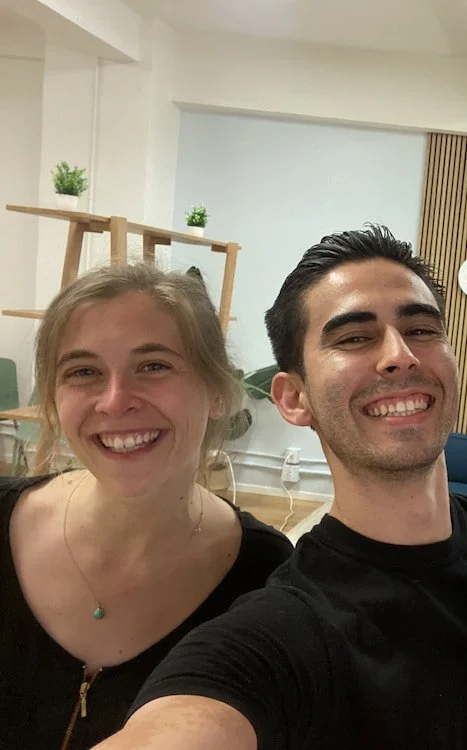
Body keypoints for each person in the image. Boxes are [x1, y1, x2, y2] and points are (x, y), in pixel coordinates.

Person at [96, 225, 467, 749]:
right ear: (293, 398)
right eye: (354, 337)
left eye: (422, 329)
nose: (400, 354)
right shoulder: (280, 636)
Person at [0, 264, 292, 749]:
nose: (115, 402)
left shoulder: (267, 577)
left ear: (218, 392)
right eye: (84, 371)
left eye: (153, 366)